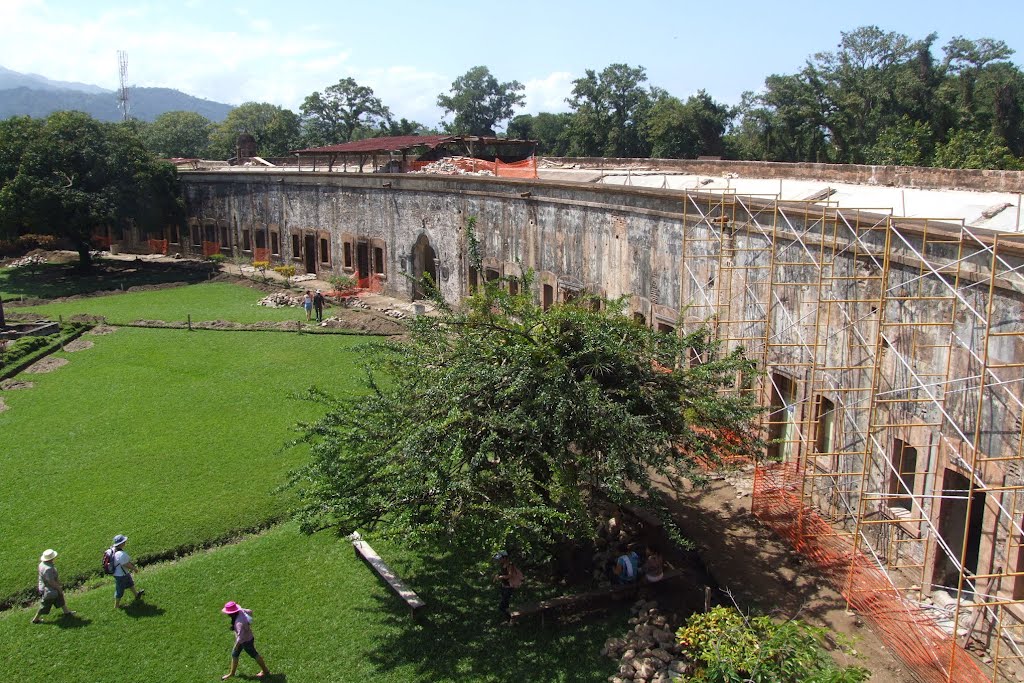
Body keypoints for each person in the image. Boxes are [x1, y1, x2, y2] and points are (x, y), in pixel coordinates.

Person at [221, 601, 270, 680]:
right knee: (234, 654)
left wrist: (237, 645)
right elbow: (250, 611)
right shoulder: (240, 612)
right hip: (248, 637)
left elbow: (241, 637)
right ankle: (232, 673)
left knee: (254, 654)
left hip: (245, 641)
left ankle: (265, 671)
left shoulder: (238, 623)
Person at [32, 549, 75, 623]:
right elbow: (51, 581)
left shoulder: (41, 564)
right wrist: (59, 588)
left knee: (60, 598)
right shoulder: (48, 569)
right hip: (49, 590)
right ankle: (35, 619)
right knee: (45, 605)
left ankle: (66, 611)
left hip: (45, 587)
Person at [110, 534, 144, 608]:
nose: (125, 542)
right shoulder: (121, 554)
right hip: (120, 575)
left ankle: (136, 594)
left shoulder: (113, 550)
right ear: (121, 543)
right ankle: (116, 605)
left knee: (130, 583)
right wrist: (134, 569)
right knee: (120, 590)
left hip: (123, 573)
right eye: (124, 541)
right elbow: (126, 564)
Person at [493, 550, 524, 623]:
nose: (499, 560)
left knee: (502, 606)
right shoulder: (503, 565)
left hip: (508, 587)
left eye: (500, 558)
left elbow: (510, 575)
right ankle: (509, 620)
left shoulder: (509, 565)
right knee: (506, 605)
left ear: (505, 558)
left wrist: (501, 577)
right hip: (504, 586)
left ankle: (512, 618)